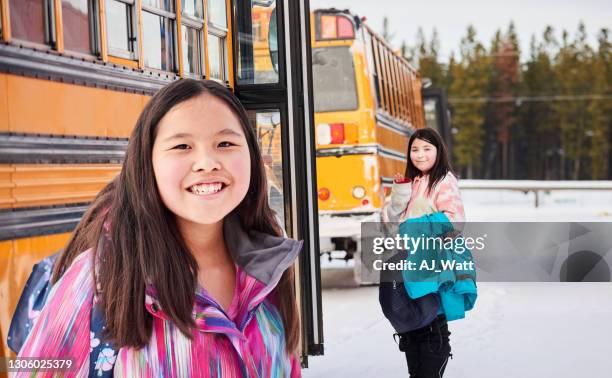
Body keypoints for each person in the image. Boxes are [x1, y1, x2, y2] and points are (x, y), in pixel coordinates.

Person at [16, 79, 302, 377]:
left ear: (253, 157)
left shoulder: (267, 273)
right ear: (147, 164)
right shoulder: (102, 277)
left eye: (225, 143)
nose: (207, 162)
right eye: (182, 146)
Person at [382, 127, 470, 378]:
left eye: (426, 149)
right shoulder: (415, 182)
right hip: (412, 267)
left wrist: (418, 232)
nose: (419, 155)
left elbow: (455, 221)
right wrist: (400, 190)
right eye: (415, 149)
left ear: (438, 151)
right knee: (416, 325)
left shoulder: (444, 181)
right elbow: (393, 218)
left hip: (433, 266)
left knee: (432, 324)